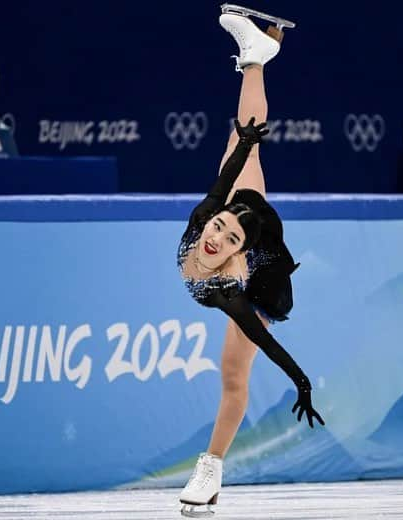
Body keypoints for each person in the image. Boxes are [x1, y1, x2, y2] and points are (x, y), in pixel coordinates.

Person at [176, 9, 324, 516]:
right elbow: (232, 174)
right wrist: (247, 141)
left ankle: (210, 467)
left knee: (233, 376)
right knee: (239, 148)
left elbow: (266, 339)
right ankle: (258, 58)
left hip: (262, 272)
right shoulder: (209, 237)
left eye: (223, 233)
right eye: (216, 228)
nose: (213, 236)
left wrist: (301, 382)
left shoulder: (228, 269)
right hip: (260, 261)